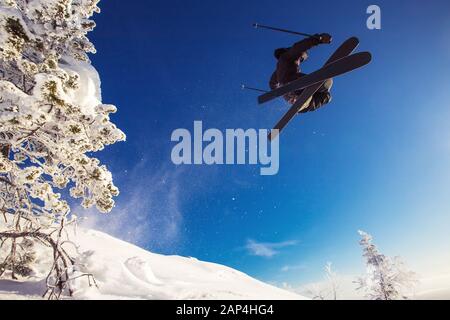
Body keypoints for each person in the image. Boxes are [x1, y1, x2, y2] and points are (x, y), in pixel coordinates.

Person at [269, 33, 333, 113]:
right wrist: (319, 38)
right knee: (328, 82)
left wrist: (276, 92)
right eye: (302, 58)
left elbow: (272, 83)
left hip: (288, 92)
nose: (301, 60)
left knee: (322, 95)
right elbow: (299, 47)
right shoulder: (289, 55)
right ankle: (307, 103)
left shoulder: (278, 70)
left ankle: (304, 104)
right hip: (297, 83)